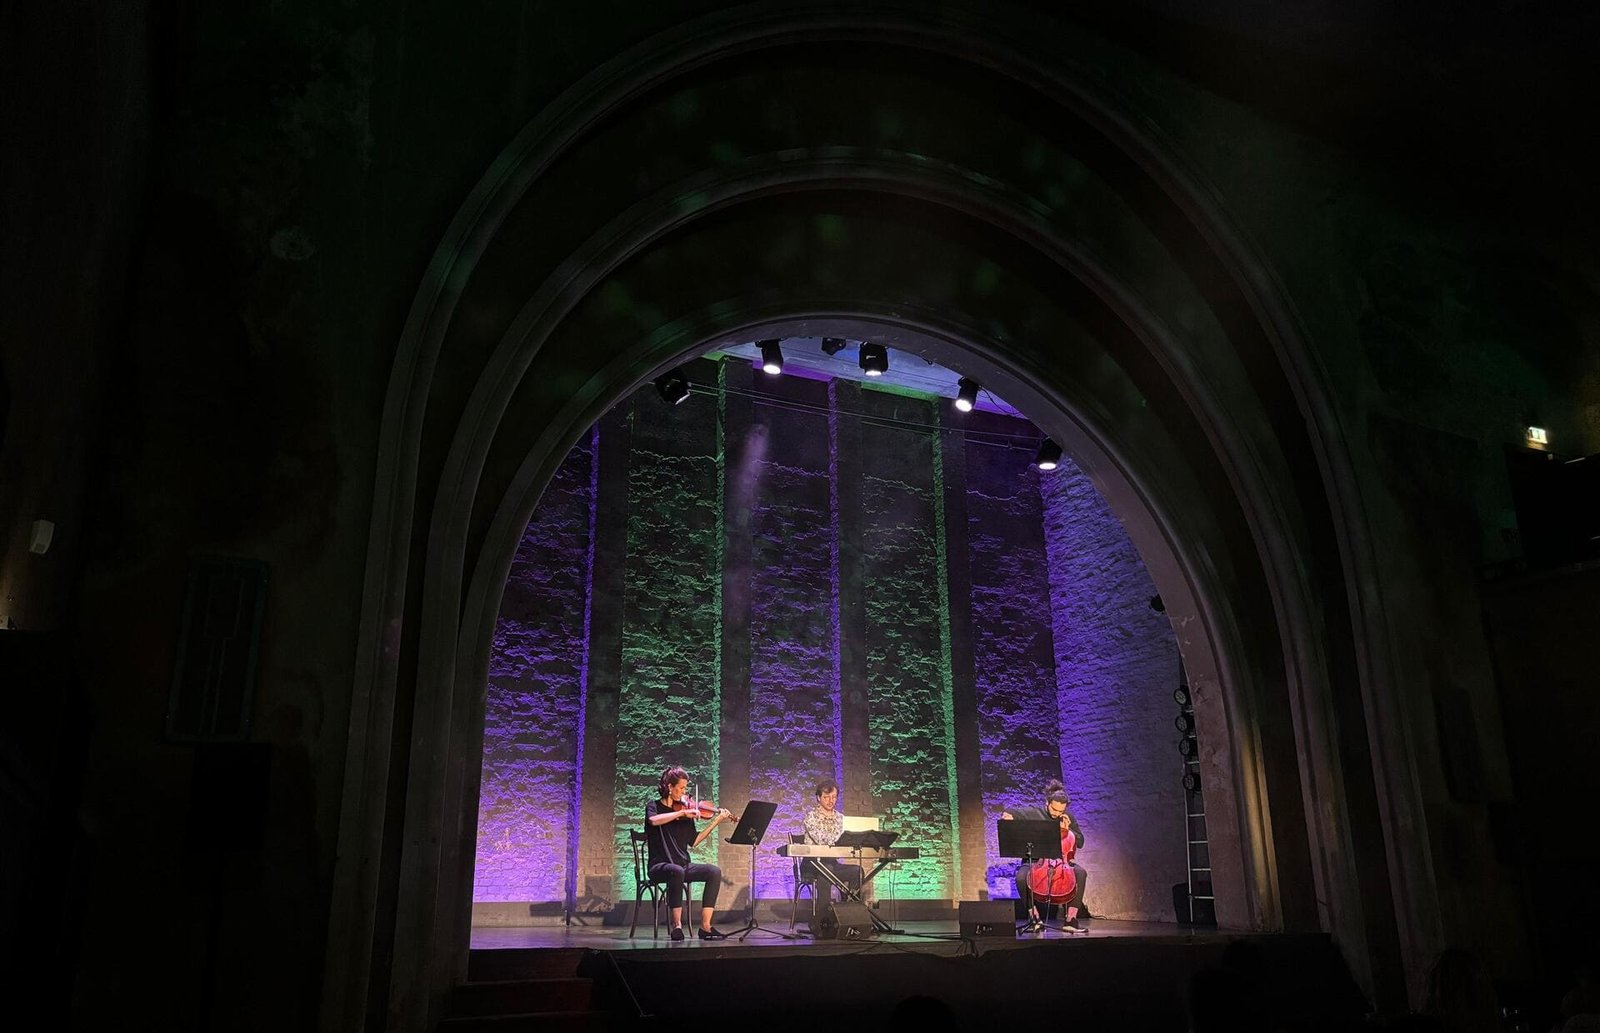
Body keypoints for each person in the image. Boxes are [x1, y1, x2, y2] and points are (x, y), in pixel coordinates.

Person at [644, 765, 735, 941]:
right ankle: (677, 926)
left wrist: (716, 821)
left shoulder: (685, 814)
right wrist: (684, 812)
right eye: (681, 788)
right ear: (670, 787)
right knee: (676, 871)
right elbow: (654, 821)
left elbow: (694, 841)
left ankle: (705, 927)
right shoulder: (653, 806)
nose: (684, 792)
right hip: (659, 866)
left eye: (685, 788)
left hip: (682, 864)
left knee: (713, 871)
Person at [1001, 777, 1088, 930]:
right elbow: (1013, 811)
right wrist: (1009, 815)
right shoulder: (1035, 813)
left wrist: (1069, 830)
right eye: (1054, 809)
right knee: (1021, 877)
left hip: (1062, 862)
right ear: (1047, 804)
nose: (1057, 814)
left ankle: (1071, 919)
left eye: (1061, 810)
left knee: (1081, 873)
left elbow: (1080, 842)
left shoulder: (1068, 817)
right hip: (1036, 861)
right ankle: (1034, 917)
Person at [800, 778, 864, 916]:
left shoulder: (841, 818)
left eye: (834, 797)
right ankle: (824, 917)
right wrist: (841, 840)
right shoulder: (810, 817)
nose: (831, 801)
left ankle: (848, 910)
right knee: (826, 870)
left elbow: (842, 840)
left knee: (857, 871)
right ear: (818, 798)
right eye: (826, 797)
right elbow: (822, 840)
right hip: (812, 865)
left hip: (831, 863)